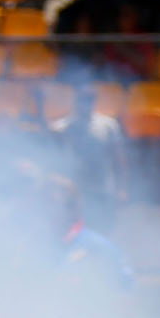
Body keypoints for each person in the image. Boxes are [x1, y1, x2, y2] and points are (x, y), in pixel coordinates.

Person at [49, 85, 128, 230]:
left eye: (89, 99)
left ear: (94, 101)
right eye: (82, 99)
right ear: (75, 101)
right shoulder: (61, 128)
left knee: (104, 228)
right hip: (75, 189)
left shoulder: (108, 126)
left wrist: (121, 189)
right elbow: (54, 161)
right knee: (75, 229)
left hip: (102, 187)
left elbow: (118, 159)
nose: (85, 104)